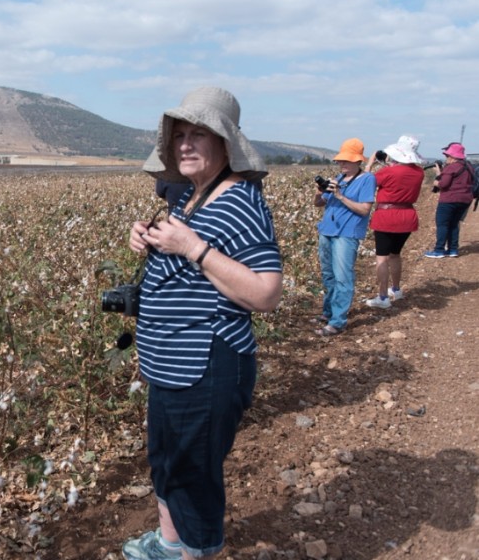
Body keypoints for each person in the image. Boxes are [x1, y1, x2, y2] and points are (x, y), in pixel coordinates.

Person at [123, 87, 283, 560]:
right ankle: (170, 544)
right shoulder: (194, 197)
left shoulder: (240, 202)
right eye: (179, 136)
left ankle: (196, 550)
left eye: (199, 135)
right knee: (167, 463)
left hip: (207, 365)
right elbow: (190, 260)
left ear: (225, 145)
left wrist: (192, 247)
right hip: (173, 364)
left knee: (193, 475)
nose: (185, 145)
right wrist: (150, 239)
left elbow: (266, 292)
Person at [313, 138, 376, 336]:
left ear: (358, 161)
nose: (342, 164)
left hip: (346, 234)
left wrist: (340, 196)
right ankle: (328, 312)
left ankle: (338, 321)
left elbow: (365, 209)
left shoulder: (367, 179)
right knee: (328, 275)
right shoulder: (338, 179)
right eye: (340, 161)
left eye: (346, 161)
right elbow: (319, 204)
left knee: (342, 277)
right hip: (328, 231)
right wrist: (318, 193)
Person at [362, 135, 425, 308]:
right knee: (395, 254)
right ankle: (396, 289)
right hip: (407, 215)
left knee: (382, 258)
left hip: (387, 216)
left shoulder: (387, 172)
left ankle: (383, 298)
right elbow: (401, 176)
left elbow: (365, 182)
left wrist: (370, 164)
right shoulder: (419, 172)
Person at [425, 142, 473, 258]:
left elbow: (444, 184)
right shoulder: (469, 166)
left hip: (449, 200)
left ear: (452, 157)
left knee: (443, 224)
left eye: (447, 156)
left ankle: (439, 250)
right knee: (454, 224)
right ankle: (453, 250)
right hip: (465, 199)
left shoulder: (451, 167)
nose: (446, 158)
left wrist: (437, 181)